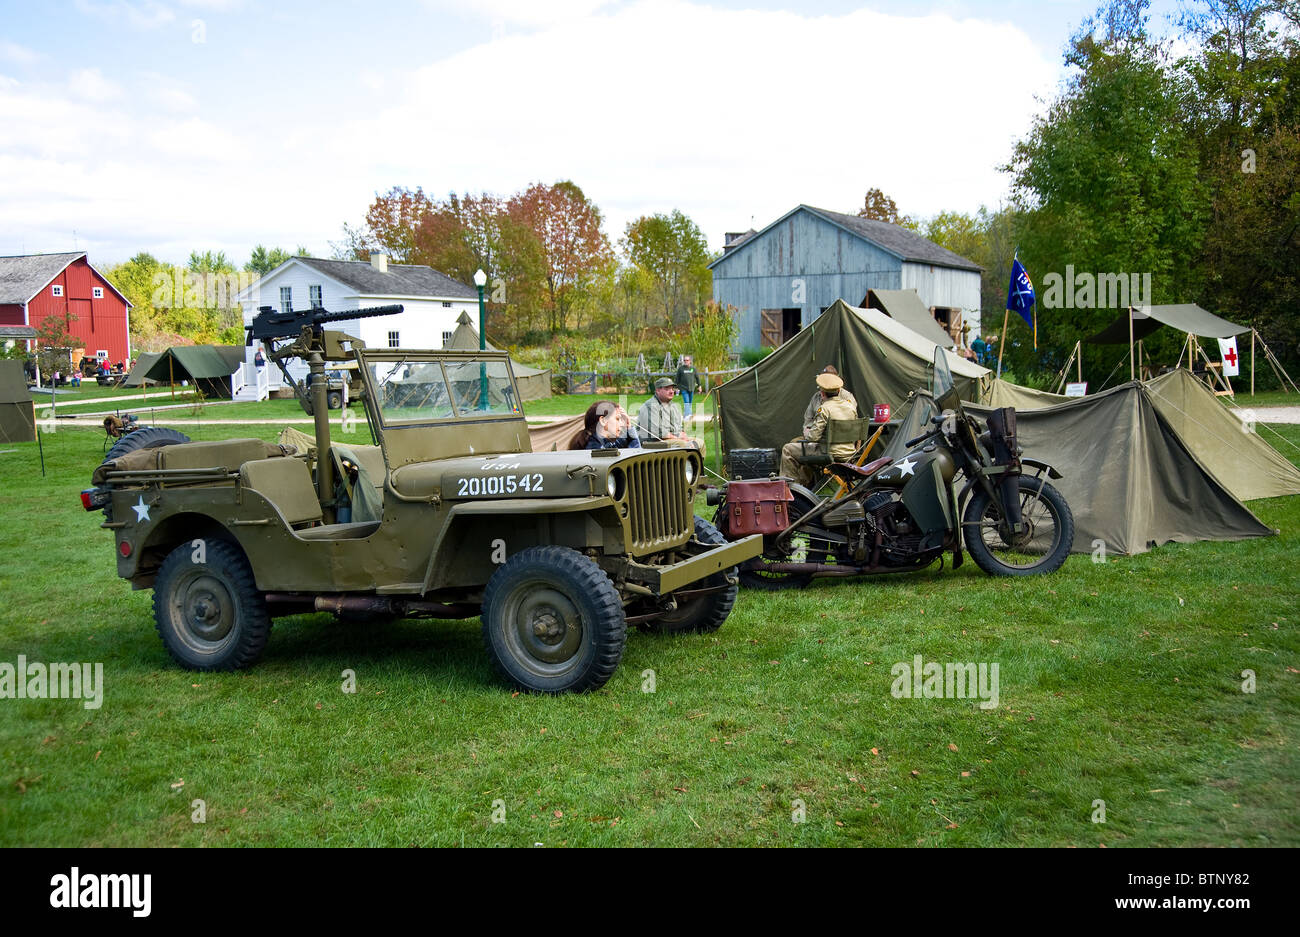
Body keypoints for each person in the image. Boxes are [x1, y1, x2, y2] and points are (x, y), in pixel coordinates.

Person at [781, 372, 859, 487]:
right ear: (838, 391)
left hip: (828, 452)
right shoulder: (850, 407)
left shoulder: (824, 408)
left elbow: (813, 437)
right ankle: (803, 486)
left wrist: (808, 433)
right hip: (849, 452)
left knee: (788, 449)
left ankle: (792, 491)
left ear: (822, 394)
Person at [801, 365, 857, 436]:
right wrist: (808, 431)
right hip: (816, 435)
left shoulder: (847, 397)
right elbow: (808, 419)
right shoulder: (816, 397)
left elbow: (852, 421)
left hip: (838, 437)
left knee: (789, 447)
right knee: (795, 441)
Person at [570, 400, 641, 450]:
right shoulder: (596, 450)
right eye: (617, 419)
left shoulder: (602, 442)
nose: (622, 424)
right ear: (603, 421)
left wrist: (629, 426)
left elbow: (624, 444)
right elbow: (635, 456)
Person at [675, 355, 699, 420]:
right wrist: (676, 387)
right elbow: (677, 378)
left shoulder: (693, 369)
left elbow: (697, 378)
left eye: (687, 360)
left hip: (691, 388)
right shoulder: (681, 369)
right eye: (684, 360)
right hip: (683, 388)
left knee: (690, 402)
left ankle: (687, 415)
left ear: (690, 361)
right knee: (686, 402)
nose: (685, 361)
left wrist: (699, 386)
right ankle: (688, 416)